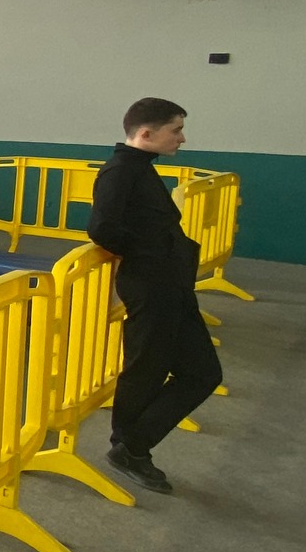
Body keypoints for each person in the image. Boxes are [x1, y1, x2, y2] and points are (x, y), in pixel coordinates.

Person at [87, 97, 222, 496]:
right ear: (146, 134)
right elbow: (102, 228)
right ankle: (129, 447)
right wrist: (146, 254)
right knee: (145, 369)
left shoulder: (140, 169)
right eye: (175, 130)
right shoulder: (119, 172)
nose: (182, 138)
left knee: (203, 373)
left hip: (170, 283)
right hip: (150, 285)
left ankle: (132, 444)